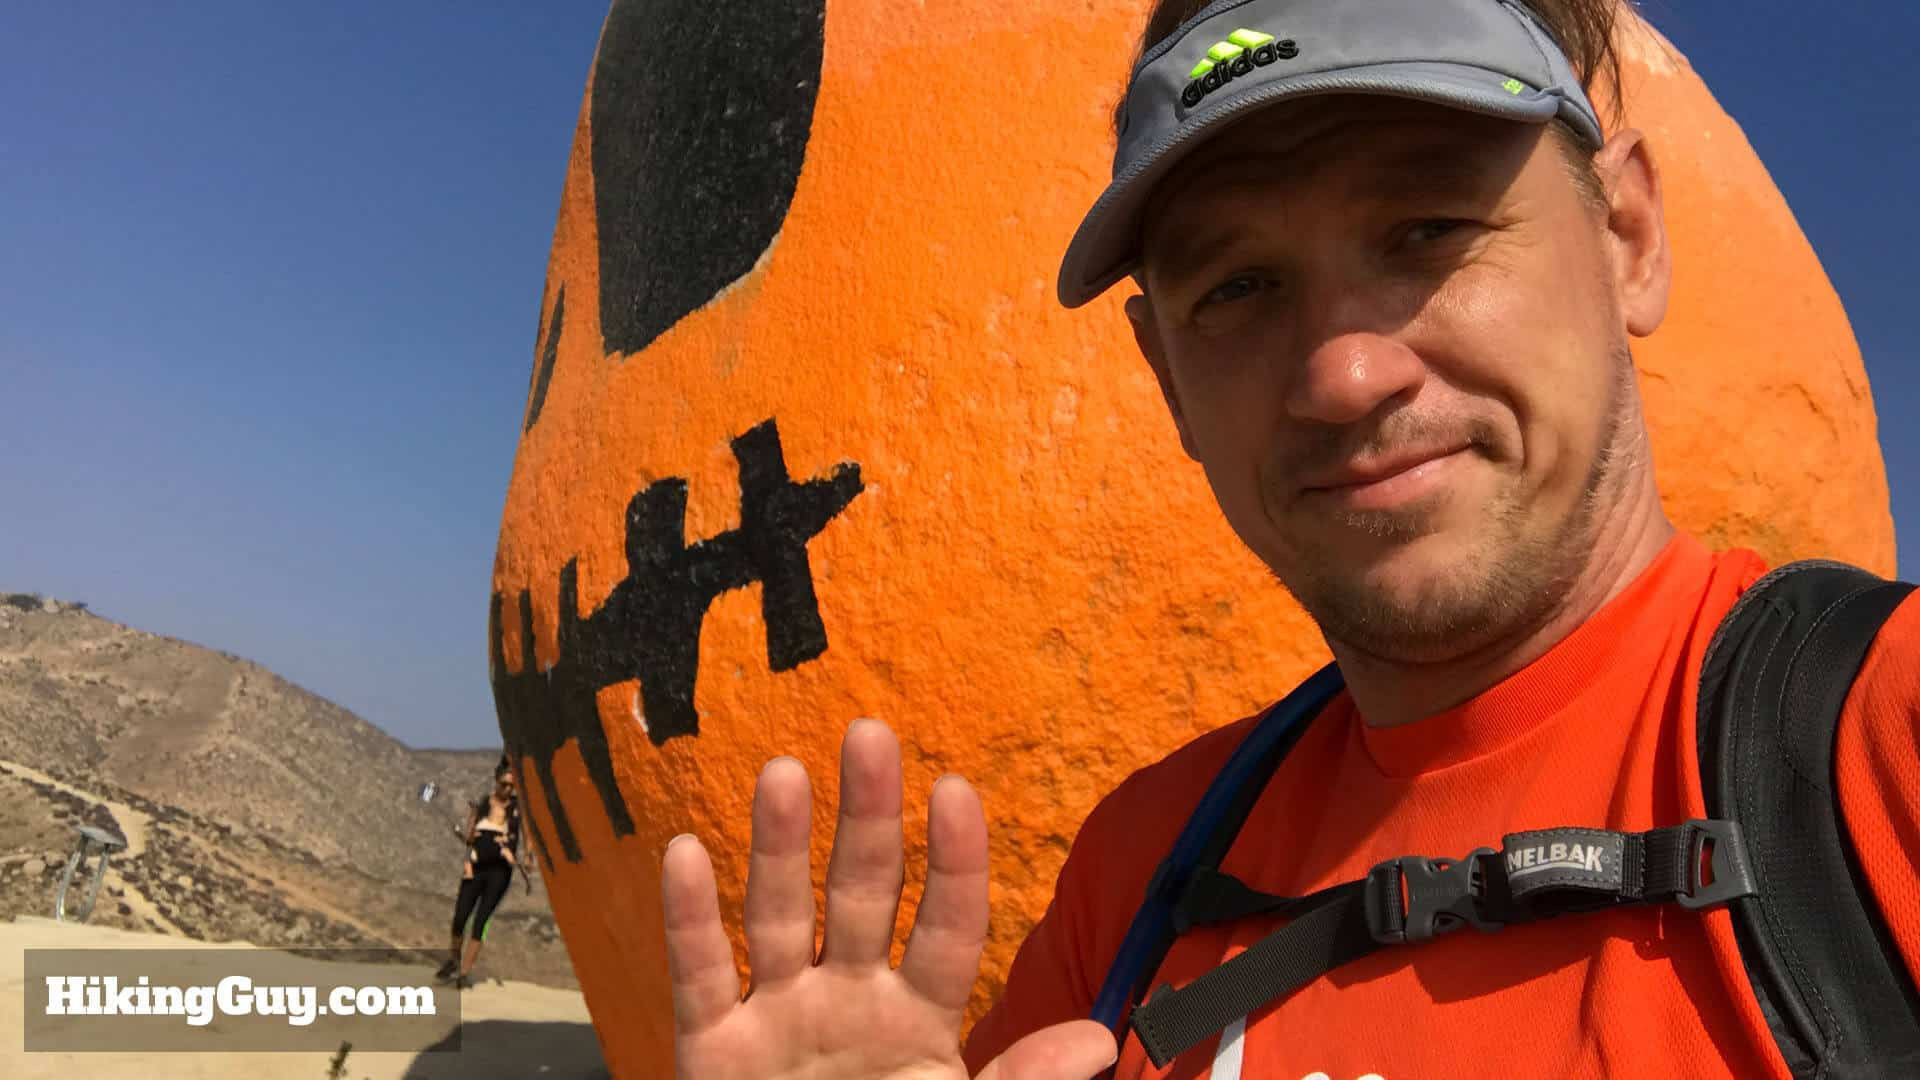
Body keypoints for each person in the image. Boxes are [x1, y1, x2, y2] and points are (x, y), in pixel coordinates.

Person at [658, 1, 1920, 1077]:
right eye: (1241, 290)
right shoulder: (1148, 871)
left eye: (1428, 230)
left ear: (1628, 236)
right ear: (1167, 383)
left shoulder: (1879, 748)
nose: (1345, 373)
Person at [437, 754, 523, 990]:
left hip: (499, 872)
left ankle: (465, 973)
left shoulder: (517, 809)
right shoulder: (483, 804)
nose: (508, 789)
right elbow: (469, 838)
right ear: (496, 781)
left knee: (480, 920)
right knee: (459, 918)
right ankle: (454, 959)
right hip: (475, 868)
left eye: (512, 786)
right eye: (504, 784)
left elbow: (526, 837)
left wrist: (524, 857)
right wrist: (466, 839)